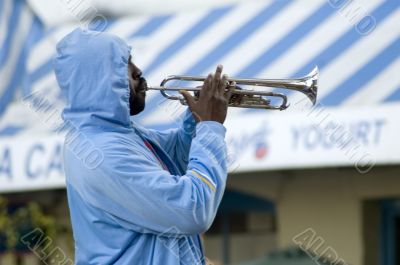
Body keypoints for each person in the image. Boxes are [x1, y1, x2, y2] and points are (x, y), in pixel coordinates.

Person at [54, 27, 233, 265]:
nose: (138, 71)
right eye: (124, 65)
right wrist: (210, 126)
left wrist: (197, 119)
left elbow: (177, 160)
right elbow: (193, 210)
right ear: (98, 79)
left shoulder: (119, 134)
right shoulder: (102, 152)